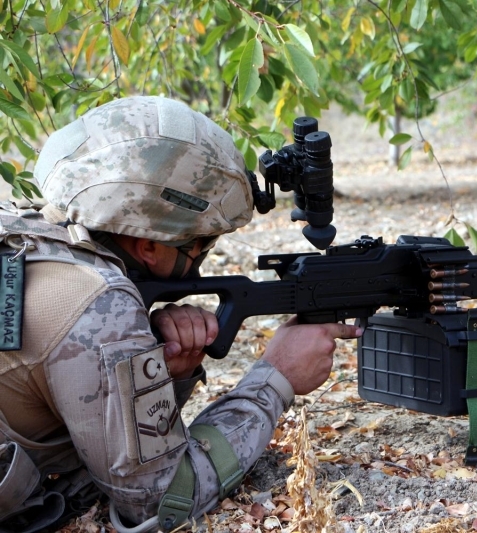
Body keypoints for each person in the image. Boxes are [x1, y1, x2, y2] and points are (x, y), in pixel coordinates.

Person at [0, 95, 361, 532]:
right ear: (148, 247)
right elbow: (163, 500)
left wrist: (160, 373)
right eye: (201, 244)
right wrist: (275, 376)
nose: (203, 259)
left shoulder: (27, 240)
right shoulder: (97, 304)